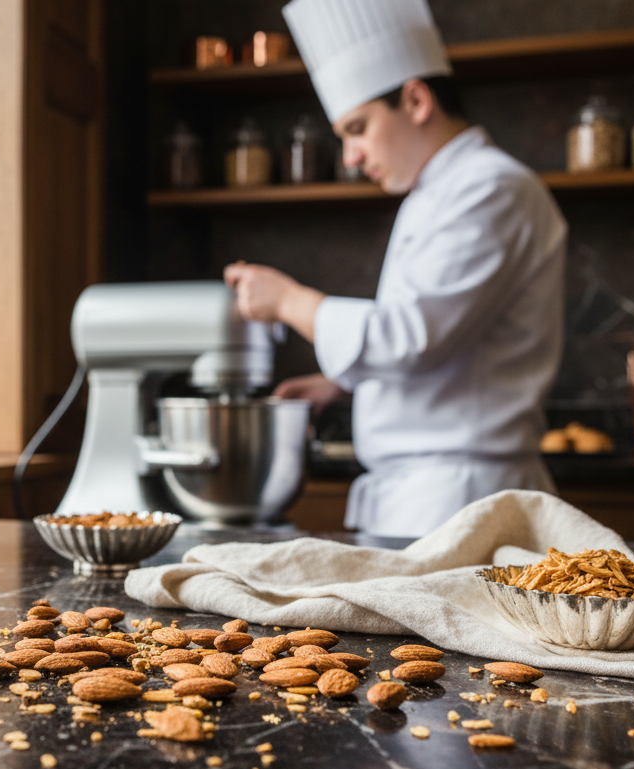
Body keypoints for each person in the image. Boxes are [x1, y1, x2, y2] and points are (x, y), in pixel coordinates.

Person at [224, 0, 567, 538]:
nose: (351, 157)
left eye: (357, 128)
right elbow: (441, 340)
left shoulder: (491, 188)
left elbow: (409, 338)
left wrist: (289, 301)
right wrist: (340, 382)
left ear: (415, 99)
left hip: (461, 501)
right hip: (425, 498)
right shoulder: (437, 191)